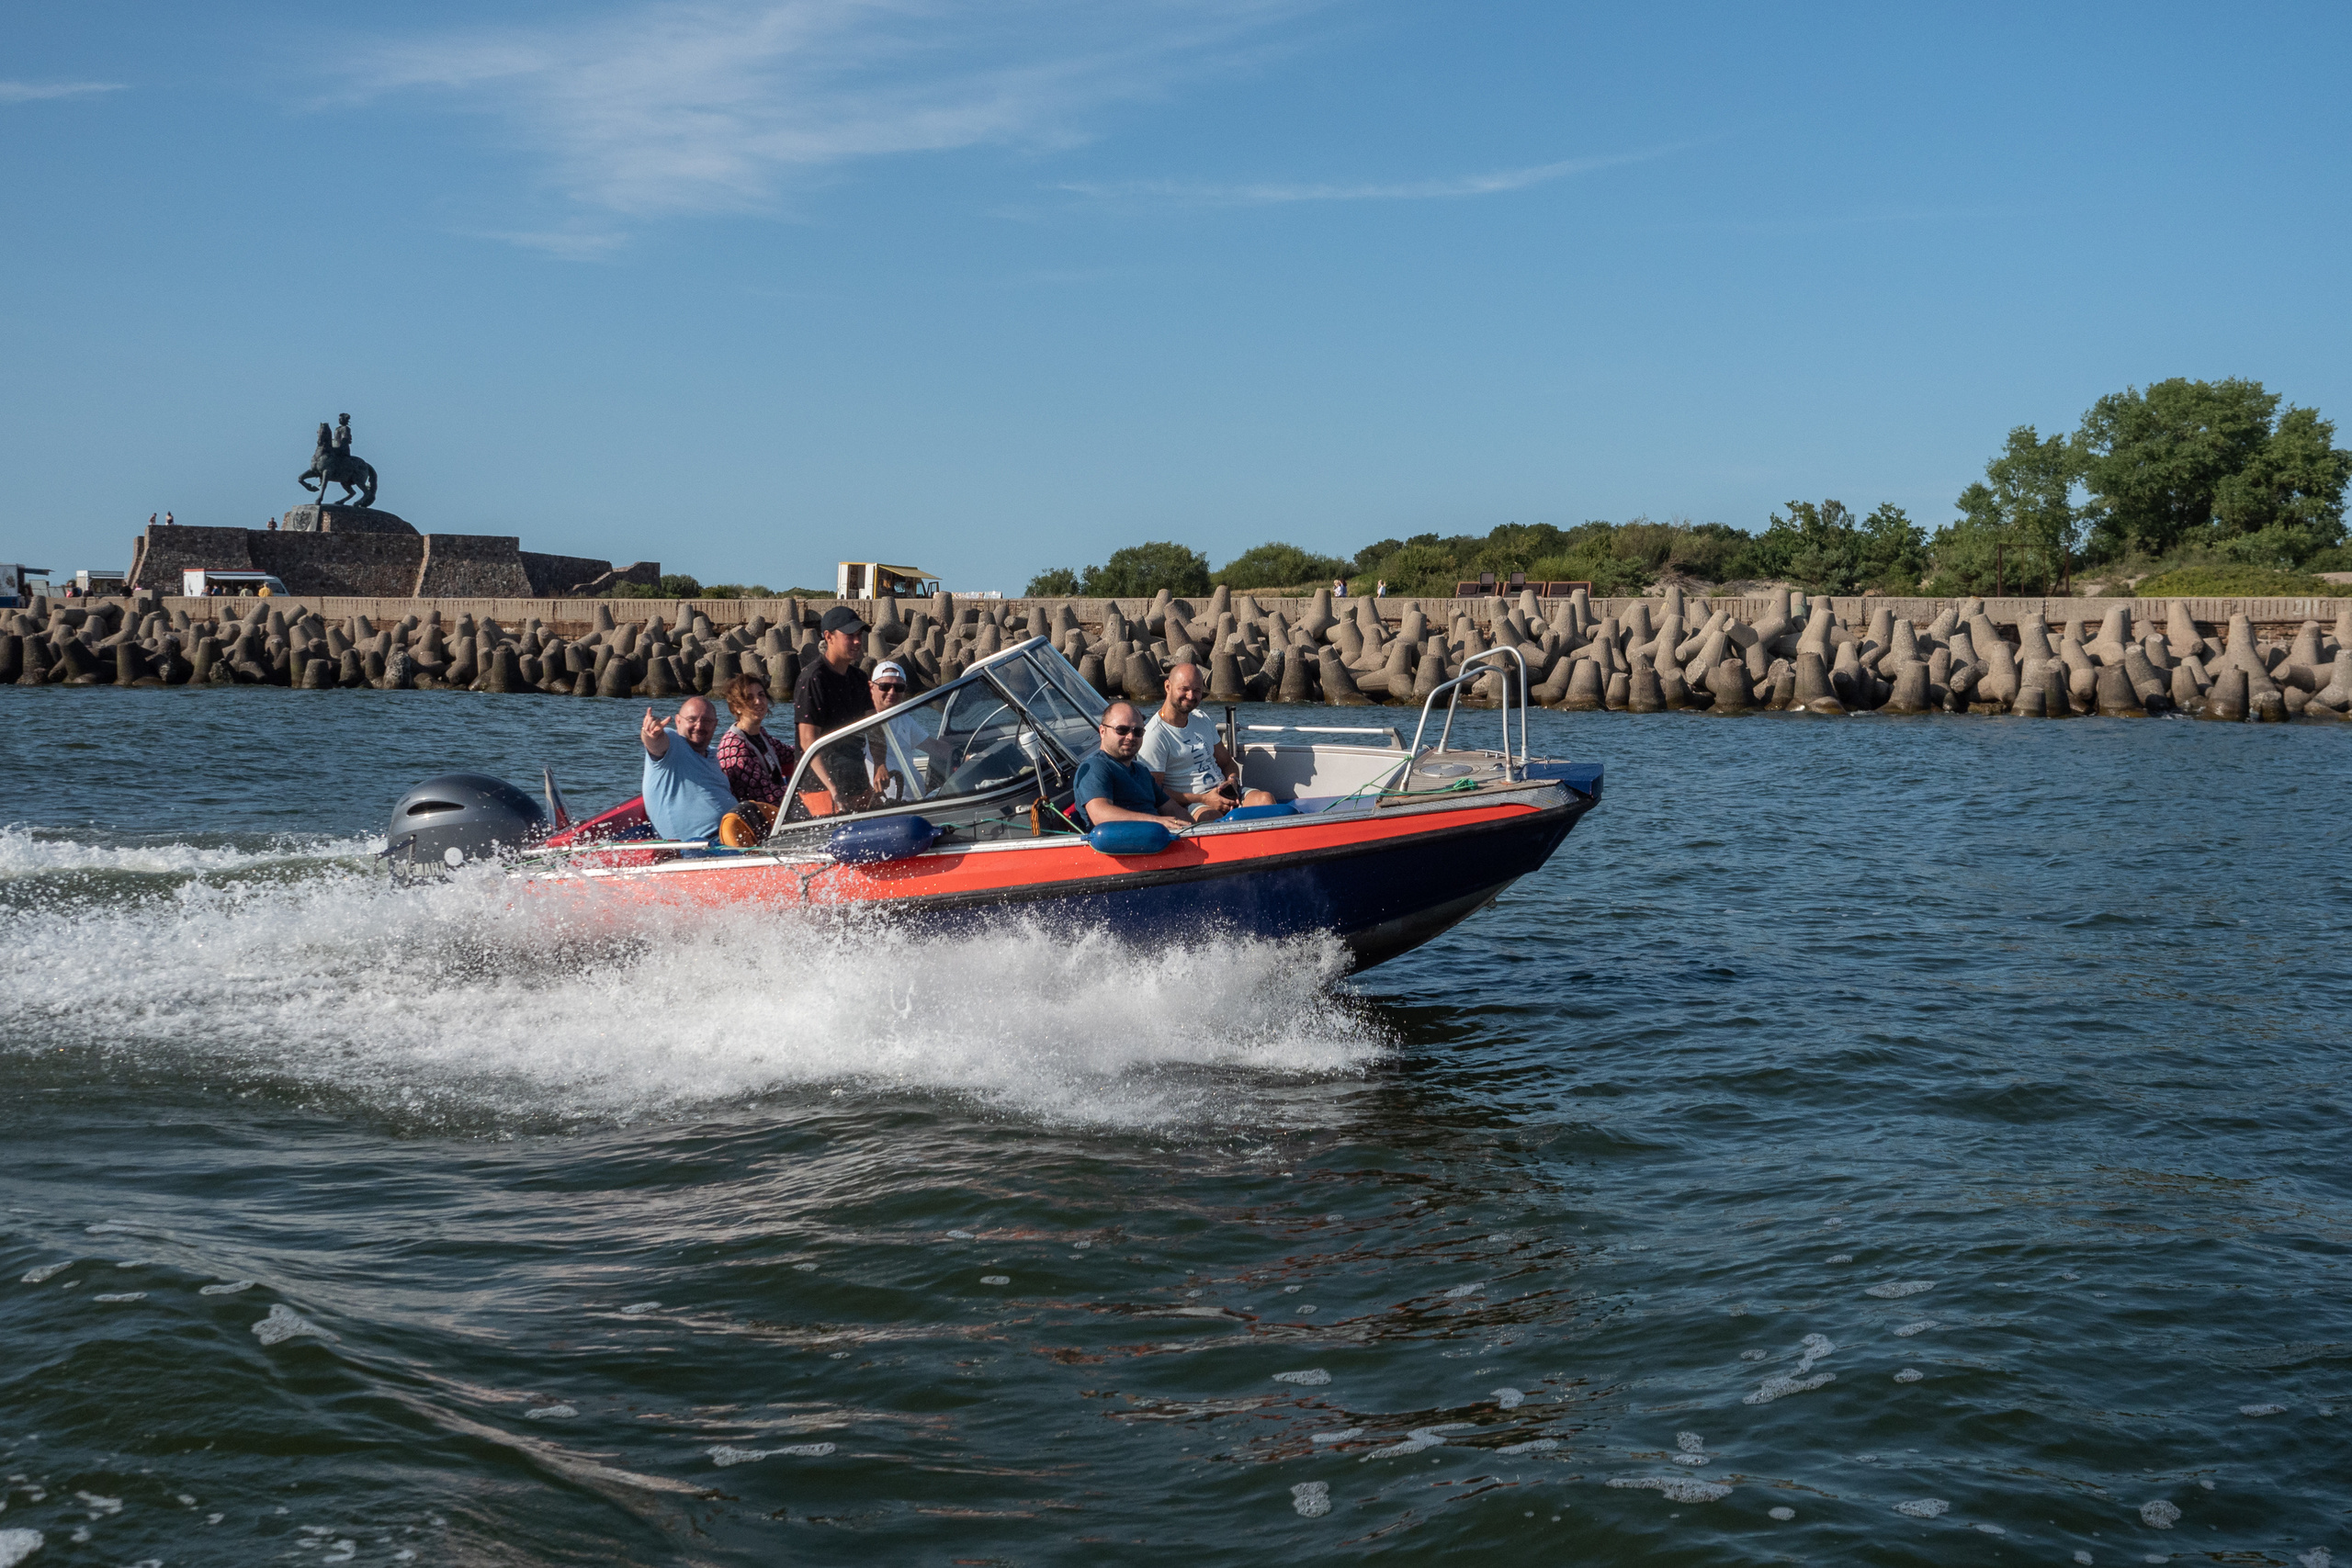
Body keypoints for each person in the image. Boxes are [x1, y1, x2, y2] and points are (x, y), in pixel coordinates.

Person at [1140, 662, 1276, 823]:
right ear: (1168, 687)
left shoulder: (1201, 719)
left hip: (1224, 793)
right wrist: (1204, 799)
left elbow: (1227, 762)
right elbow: (1155, 792)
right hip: (1192, 802)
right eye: (1184, 689)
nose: (1191, 696)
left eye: (1197, 690)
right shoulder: (1154, 735)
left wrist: (1232, 781)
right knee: (1212, 818)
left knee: (1266, 800)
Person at [793, 606, 875, 804]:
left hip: (856, 781)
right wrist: (833, 789)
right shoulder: (813, 679)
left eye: (859, 635)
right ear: (828, 637)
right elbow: (808, 741)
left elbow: (876, 730)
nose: (857, 641)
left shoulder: (859, 677)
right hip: (819, 789)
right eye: (850, 635)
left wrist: (880, 765)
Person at [1073, 701, 1192, 832]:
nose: (1130, 737)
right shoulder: (1096, 767)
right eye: (1121, 730)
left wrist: (1197, 828)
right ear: (1102, 731)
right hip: (1125, 846)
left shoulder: (1142, 771)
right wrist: (1157, 821)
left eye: (1138, 731)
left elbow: (1172, 809)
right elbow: (1100, 815)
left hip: (1159, 840)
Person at [639, 695, 739, 843]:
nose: (699, 726)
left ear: (715, 725)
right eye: (691, 719)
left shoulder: (712, 755)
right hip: (697, 845)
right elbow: (656, 744)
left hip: (733, 833)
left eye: (706, 721)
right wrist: (650, 734)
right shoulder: (673, 743)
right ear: (678, 721)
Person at [715, 672, 797, 839]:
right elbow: (765, 794)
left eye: (761, 695)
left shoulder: (760, 735)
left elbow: (788, 753)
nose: (758, 702)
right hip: (754, 825)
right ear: (736, 707)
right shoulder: (735, 748)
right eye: (749, 697)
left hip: (775, 814)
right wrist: (803, 794)